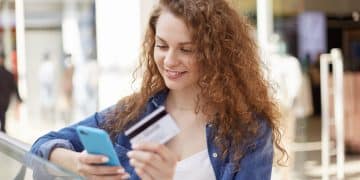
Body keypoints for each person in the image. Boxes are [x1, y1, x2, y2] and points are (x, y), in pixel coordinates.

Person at [31, 0, 286, 179]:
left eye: (186, 49)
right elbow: (41, 145)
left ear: (216, 55)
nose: (170, 60)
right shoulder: (135, 112)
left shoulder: (248, 130)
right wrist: (77, 163)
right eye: (162, 45)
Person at [0, 52, 22, 133]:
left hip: (4, 100)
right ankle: (2, 130)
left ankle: (2, 130)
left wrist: (19, 98)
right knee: (2, 116)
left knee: (2, 116)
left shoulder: (9, 74)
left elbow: (14, 87)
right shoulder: (9, 74)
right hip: (5, 100)